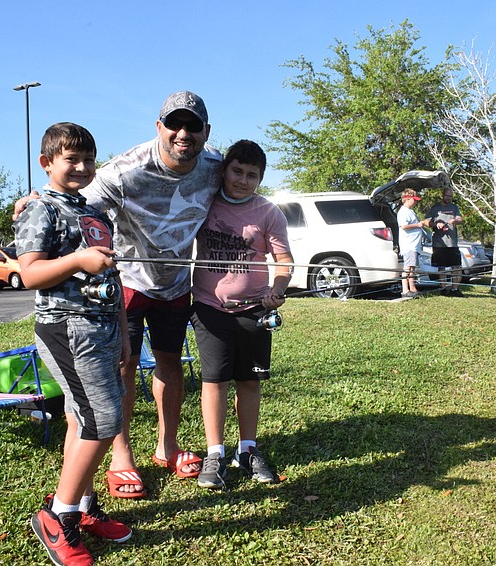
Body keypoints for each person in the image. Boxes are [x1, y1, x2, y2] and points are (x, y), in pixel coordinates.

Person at [14, 91, 222, 497]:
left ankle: (168, 447)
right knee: (123, 367)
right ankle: (121, 456)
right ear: (159, 127)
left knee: (170, 364)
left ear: (205, 132)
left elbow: (242, 188)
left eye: (193, 126)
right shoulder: (124, 170)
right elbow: (72, 203)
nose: (183, 133)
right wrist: (34, 199)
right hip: (126, 281)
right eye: (174, 124)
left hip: (176, 284)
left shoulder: (215, 165)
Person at [15, 122, 132, 565]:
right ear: (47, 163)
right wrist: (78, 259)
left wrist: (123, 335)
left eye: (88, 159)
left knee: (81, 417)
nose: (82, 167)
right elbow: (29, 273)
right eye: (71, 159)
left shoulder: (94, 212)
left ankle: (81, 507)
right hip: (68, 327)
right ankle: (56, 517)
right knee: (103, 420)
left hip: (103, 328)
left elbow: (112, 275)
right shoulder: (39, 209)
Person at [190, 140, 292, 489]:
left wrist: (277, 288)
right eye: (237, 171)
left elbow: (284, 260)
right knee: (214, 379)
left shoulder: (268, 213)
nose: (243, 180)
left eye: (252, 175)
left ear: (260, 179)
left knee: (249, 380)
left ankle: (247, 450)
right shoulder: (204, 203)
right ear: (224, 170)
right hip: (208, 307)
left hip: (255, 310)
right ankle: (215, 453)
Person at [420, 188, 464, 296]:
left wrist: (455, 220)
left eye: (451, 196)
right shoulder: (435, 208)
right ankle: (444, 288)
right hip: (439, 243)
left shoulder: (454, 207)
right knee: (442, 267)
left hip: (452, 243)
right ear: (442, 195)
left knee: (456, 266)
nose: (449, 198)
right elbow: (425, 221)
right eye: (447, 196)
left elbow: (461, 219)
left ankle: (455, 289)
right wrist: (436, 225)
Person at [396, 189, 423, 299]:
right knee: (407, 268)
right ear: (407, 199)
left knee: (412, 268)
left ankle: (412, 288)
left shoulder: (410, 211)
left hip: (414, 245)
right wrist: (418, 225)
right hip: (409, 244)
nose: (415, 202)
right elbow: (403, 226)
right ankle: (405, 289)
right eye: (414, 199)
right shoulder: (403, 212)